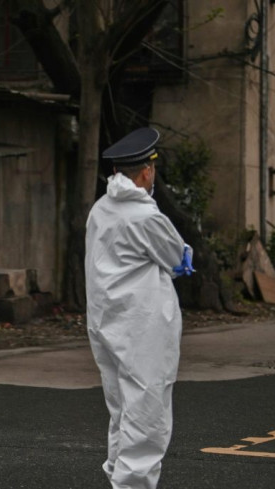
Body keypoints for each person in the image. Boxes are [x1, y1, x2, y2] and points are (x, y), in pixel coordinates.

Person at [84, 128, 193, 489]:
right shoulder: (145, 216)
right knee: (147, 412)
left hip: (106, 321)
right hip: (141, 324)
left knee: (122, 410)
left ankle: (117, 477)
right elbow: (177, 256)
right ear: (146, 172)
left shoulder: (100, 209)